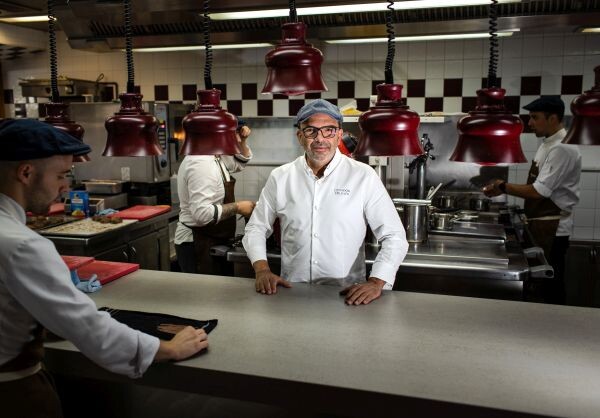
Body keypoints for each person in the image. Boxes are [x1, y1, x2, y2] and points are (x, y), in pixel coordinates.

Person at [0, 119, 208, 418]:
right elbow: (90, 329)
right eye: (61, 175)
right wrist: (167, 349)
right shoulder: (23, 245)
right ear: (26, 172)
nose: (65, 187)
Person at [242, 99, 409, 305]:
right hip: (293, 294)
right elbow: (256, 228)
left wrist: (376, 282)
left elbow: (394, 236)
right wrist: (262, 270)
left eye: (328, 130)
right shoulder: (281, 177)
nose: (320, 138)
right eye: (311, 131)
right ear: (300, 136)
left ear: (339, 134)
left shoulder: (363, 176)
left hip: (347, 297)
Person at [483, 96, 581, 304]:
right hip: (540, 225)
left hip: (553, 229)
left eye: (535, 117)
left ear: (553, 118)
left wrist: (502, 186)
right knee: (540, 287)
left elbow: (539, 192)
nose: (530, 123)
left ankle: (552, 331)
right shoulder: (548, 144)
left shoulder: (562, 148)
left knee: (550, 288)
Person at [175, 121, 255, 275]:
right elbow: (201, 214)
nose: (238, 139)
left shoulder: (216, 156)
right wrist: (238, 207)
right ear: (219, 134)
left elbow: (240, 163)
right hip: (196, 243)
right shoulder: (201, 163)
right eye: (235, 134)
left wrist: (243, 140)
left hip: (210, 238)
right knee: (202, 297)